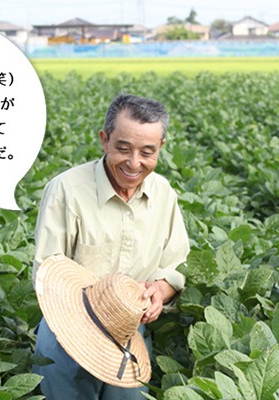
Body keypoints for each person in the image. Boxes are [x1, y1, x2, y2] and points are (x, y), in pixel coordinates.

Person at [31, 93, 190, 400]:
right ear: (104, 140)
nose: (134, 163)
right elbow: (48, 274)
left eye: (147, 152)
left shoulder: (163, 193)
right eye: (122, 148)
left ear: (161, 149)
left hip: (129, 333)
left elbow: (176, 265)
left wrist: (160, 290)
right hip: (68, 330)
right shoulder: (66, 190)